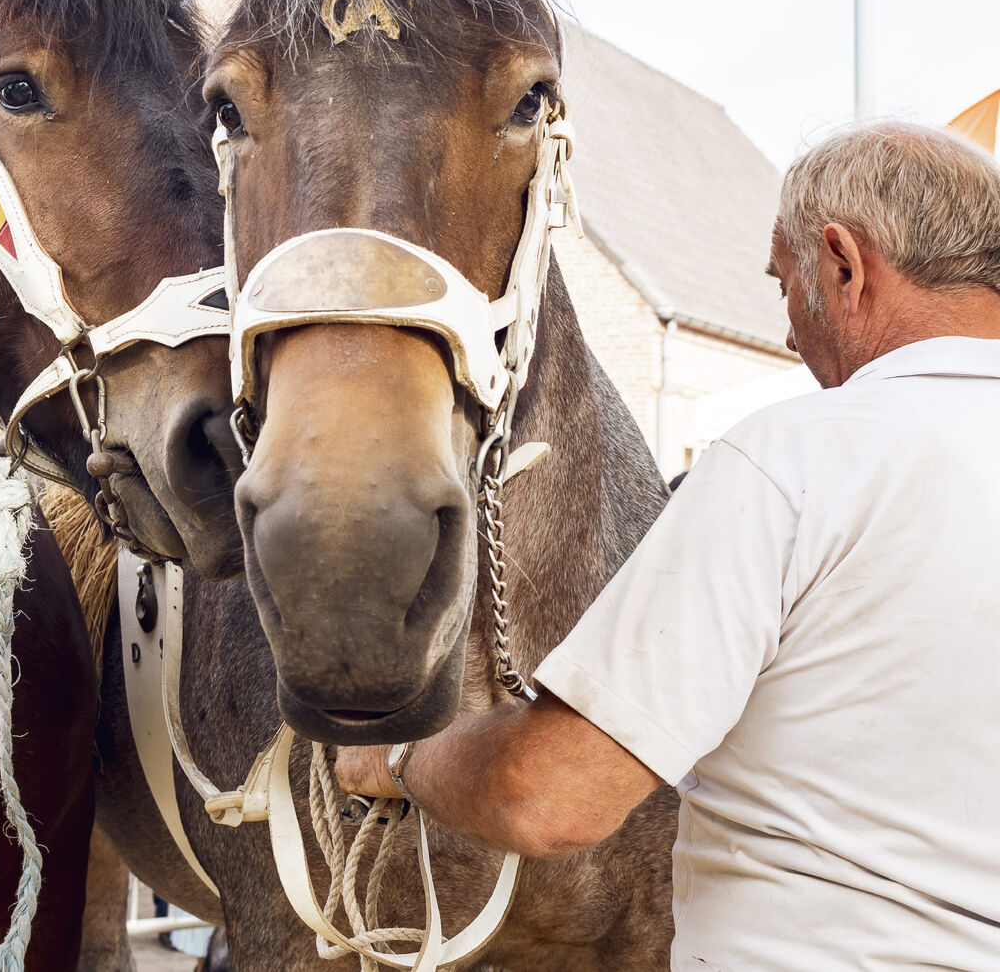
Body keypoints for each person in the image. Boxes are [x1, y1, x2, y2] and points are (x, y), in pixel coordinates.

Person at [338, 121, 1000, 969]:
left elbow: (553, 794)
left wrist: (396, 755)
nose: (792, 333)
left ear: (843, 263)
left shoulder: (794, 461)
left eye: (785, 285)